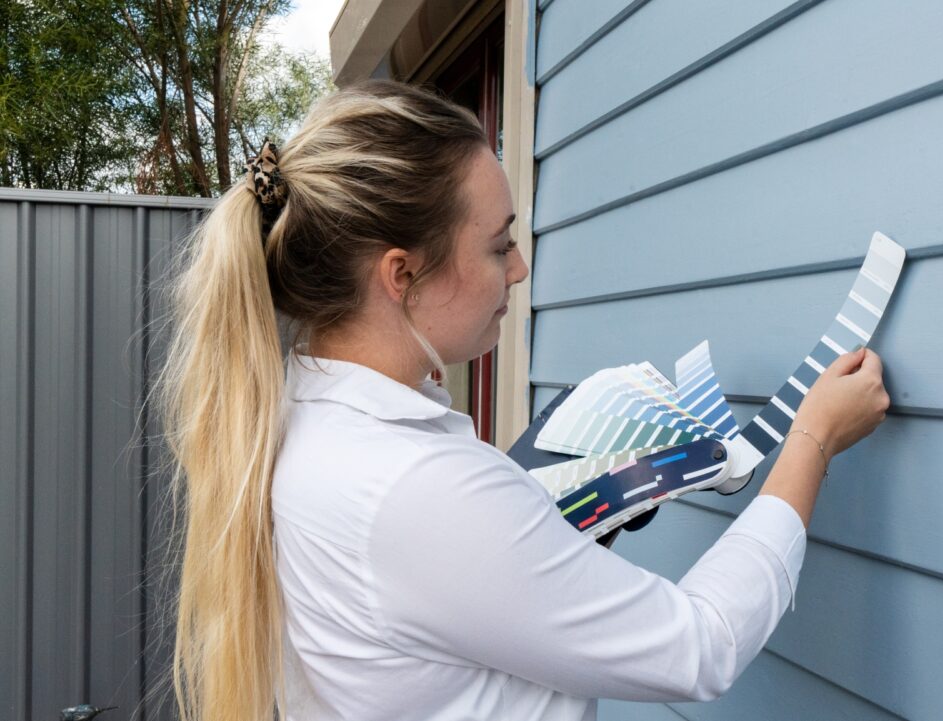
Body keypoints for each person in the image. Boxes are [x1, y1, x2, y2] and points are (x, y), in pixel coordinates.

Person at [157, 80, 890, 721]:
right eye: (498, 244)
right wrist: (813, 441)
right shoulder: (417, 489)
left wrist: (558, 540)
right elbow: (700, 646)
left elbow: (444, 601)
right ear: (401, 275)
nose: (520, 268)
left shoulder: (301, 422)